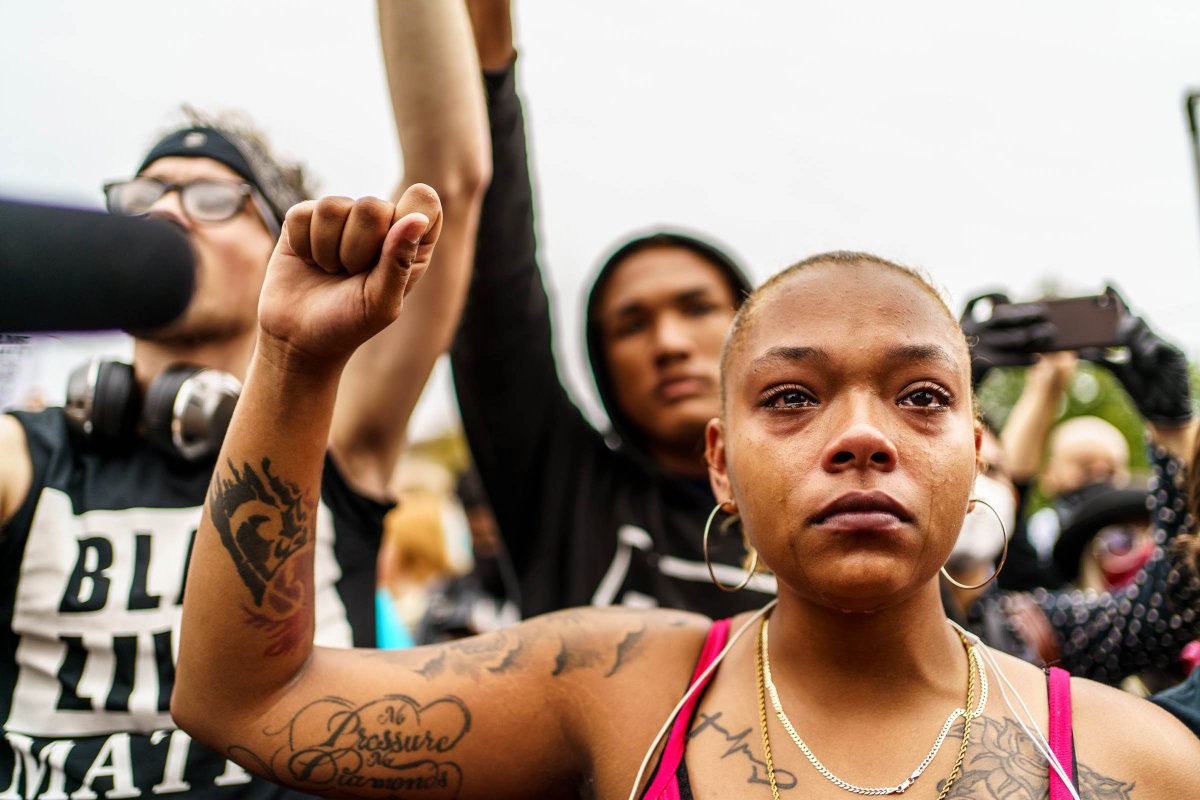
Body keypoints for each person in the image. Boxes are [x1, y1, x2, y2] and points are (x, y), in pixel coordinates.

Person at [174, 247, 1200, 800]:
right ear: (721, 460)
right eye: (792, 397)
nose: (860, 435)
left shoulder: (1133, 759)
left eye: (920, 396)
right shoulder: (616, 688)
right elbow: (244, 696)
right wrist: (296, 366)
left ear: (976, 446)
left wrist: (1180, 426)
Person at [0, 2, 489, 795]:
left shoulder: (336, 431)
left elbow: (452, 178)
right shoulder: (30, 454)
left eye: (214, 199)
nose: (163, 213)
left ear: (283, 250)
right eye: (145, 193)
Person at [451, 0, 764, 618]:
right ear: (600, 359)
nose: (669, 342)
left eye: (697, 308)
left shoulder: (833, 498)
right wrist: (488, 71)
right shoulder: (567, 493)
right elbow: (498, 293)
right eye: (631, 324)